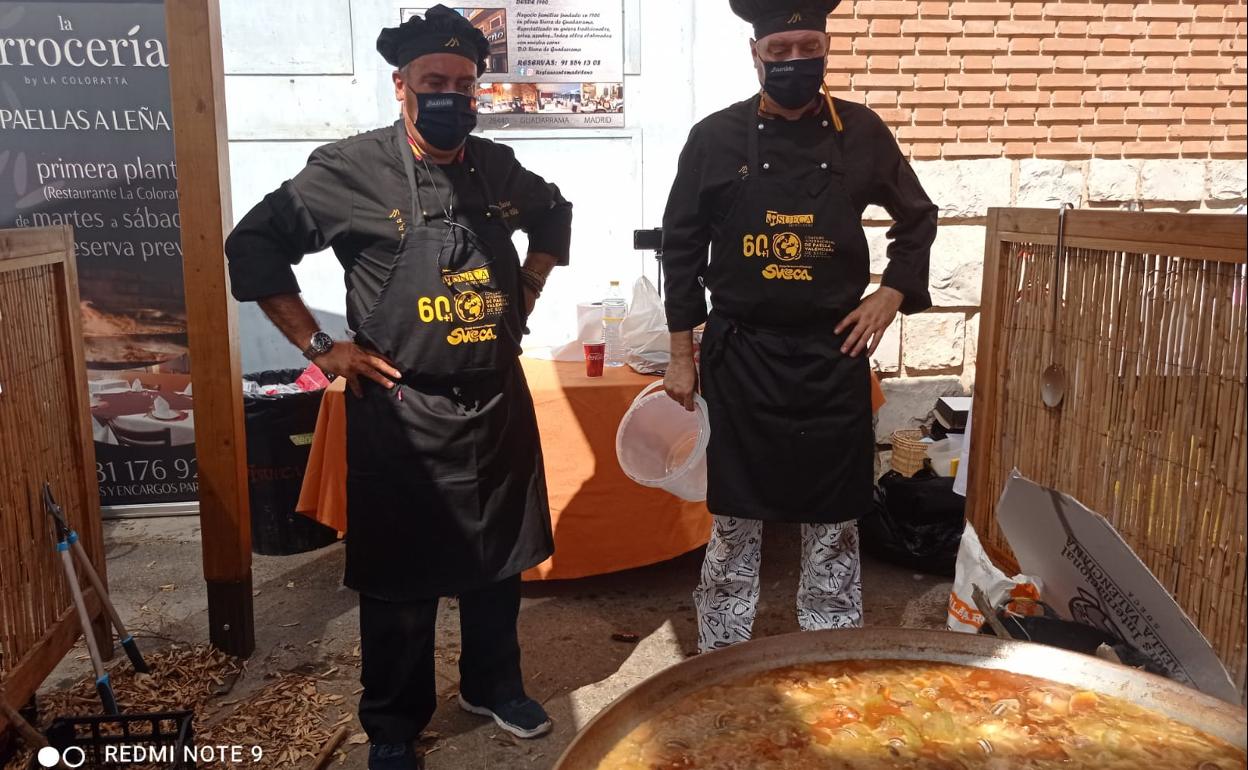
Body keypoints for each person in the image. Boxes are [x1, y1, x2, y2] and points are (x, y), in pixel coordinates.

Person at [224, 7, 572, 769]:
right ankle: (391, 722)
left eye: (463, 85)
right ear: (401, 86)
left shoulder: (497, 167)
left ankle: (493, 685)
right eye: (433, 83)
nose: (451, 95)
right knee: (400, 586)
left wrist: (532, 282)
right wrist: (321, 346)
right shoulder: (351, 169)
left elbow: (553, 213)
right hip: (402, 408)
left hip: (495, 400)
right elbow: (252, 243)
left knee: (497, 564)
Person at [661, 0, 938, 653]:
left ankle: (829, 650)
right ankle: (722, 655)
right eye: (779, 53)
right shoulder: (714, 137)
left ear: (825, 47)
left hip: (830, 355)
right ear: (755, 55)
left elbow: (917, 219)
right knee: (734, 519)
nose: (793, 63)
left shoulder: (861, 133)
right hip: (741, 355)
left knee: (834, 519)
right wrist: (681, 351)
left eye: (806, 48)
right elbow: (680, 247)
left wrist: (892, 293)